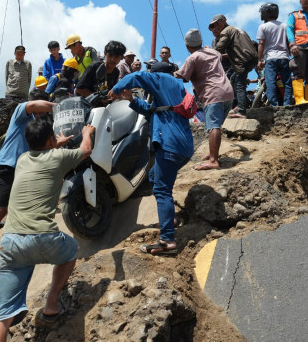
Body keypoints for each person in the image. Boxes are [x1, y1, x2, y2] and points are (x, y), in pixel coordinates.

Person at [0, 118, 94, 342]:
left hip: (10, 243)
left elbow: (43, 152)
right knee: (71, 248)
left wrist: (55, 142)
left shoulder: (23, 159)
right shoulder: (59, 156)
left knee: (1, 317)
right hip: (43, 238)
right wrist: (86, 132)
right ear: (50, 139)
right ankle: (52, 303)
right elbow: (86, 150)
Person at [0, 89, 65, 267]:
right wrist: (59, 107)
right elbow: (31, 105)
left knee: (21, 211)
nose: (41, 112)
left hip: (24, 171)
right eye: (41, 106)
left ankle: (22, 248)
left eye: (43, 109)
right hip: (7, 167)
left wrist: (57, 144)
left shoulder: (37, 127)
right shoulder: (21, 114)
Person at [108, 64, 193, 256]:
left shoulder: (162, 79)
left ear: (156, 73)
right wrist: (131, 99)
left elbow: (137, 75)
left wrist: (115, 90)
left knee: (162, 189)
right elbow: (152, 111)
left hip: (170, 144)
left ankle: (167, 240)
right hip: (183, 146)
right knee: (155, 177)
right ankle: (170, 219)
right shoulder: (174, 88)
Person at [175, 29, 234, 171]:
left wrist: (170, 73)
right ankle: (212, 153)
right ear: (201, 42)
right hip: (228, 92)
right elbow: (218, 55)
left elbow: (182, 77)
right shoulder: (214, 53)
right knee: (215, 125)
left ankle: (214, 160)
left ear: (187, 46)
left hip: (212, 94)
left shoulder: (193, 58)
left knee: (213, 127)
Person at [209, 14, 258, 118]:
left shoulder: (226, 31)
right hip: (253, 58)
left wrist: (207, 52)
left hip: (242, 60)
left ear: (224, 21)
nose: (216, 27)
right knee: (233, 78)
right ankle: (240, 105)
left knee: (240, 85)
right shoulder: (238, 29)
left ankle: (242, 111)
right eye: (214, 25)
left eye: (217, 23)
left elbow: (219, 49)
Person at [256, 3, 293, 106]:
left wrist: (259, 60)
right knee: (287, 82)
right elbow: (289, 42)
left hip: (271, 58)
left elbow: (261, 43)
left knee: (270, 81)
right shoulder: (284, 26)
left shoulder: (263, 27)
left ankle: (274, 105)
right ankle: (287, 104)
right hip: (284, 57)